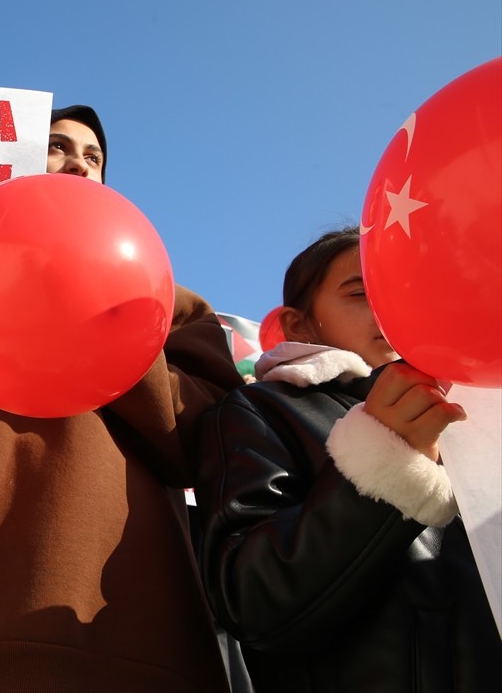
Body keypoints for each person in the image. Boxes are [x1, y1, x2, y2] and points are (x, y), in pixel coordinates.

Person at [0, 105, 244, 691]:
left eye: (94, 157)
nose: (78, 165)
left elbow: (210, 447)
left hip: (129, 642)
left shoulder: (169, 306)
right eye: (57, 147)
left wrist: (120, 339)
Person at [194, 226, 502, 690]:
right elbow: (254, 601)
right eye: (362, 292)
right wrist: (384, 462)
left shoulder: (480, 414)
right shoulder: (264, 409)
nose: (394, 306)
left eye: (408, 287)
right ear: (299, 324)